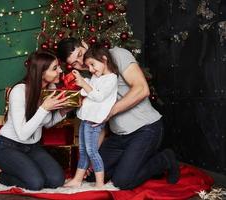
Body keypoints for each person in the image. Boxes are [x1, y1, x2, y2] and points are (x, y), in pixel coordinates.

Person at [57, 37, 180, 189]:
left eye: (80, 54)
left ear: (84, 44)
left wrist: (108, 113)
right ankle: (133, 163)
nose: (81, 63)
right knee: (92, 175)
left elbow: (142, 89)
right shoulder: (89, 75)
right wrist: (90, 155)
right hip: (118, 137)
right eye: (74, 63)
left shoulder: (117, 55)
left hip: (145, 128)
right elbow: (97, 123)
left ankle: (164, 159)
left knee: (123, 181)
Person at [0, 51, 72, 190]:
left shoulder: (48, 90)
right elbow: (22, 134)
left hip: (33, 147)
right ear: (41, 73)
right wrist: (44, 109)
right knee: (36, 183)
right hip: (8, 146)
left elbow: (47, 123)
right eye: (55, 68)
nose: (60, 70)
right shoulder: (19, 91)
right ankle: (0, 175)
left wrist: (63, 111)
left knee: (57, 180)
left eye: (58, 66)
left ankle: (27, 170)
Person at [64, 44, 118, 188]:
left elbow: (99, 96)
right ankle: (77, 179)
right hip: (85, 118)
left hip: (94, 121)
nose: (92, 69)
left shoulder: (111, 78)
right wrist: (82, 81)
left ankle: (100, 183)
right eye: (89, 66)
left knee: (92, 151)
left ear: (104, 59)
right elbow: (88, 91)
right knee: (83, 151)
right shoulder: (96, 76)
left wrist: (84, 83)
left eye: (93, 65)